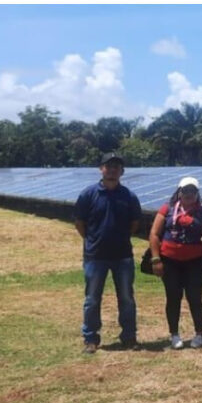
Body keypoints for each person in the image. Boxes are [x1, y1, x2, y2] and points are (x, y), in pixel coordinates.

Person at [74, 152, 142, 354]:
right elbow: (80, 223)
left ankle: (129, 337)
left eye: (116, 166)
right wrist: (94, 241)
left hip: (123, 256)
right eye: (108, 166)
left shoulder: (129, 196)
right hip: (95, 257)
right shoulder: (88, 194)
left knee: (127, 298)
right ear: (101, 169)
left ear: (122, 171)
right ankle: (91, 338)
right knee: (92, 299)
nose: (112, 170)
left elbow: (135, 223)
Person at [148, 177, 202, 349]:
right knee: (173, 297)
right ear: (179, 192)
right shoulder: (167, 209)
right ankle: (174, 335)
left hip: (195, 262)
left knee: (195, 297)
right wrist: (156, 259)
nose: (188, 194)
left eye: (192, 191)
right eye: (185, 191)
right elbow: (155, 234)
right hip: (170, 261)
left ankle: (199, 334)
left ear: (197, 194)